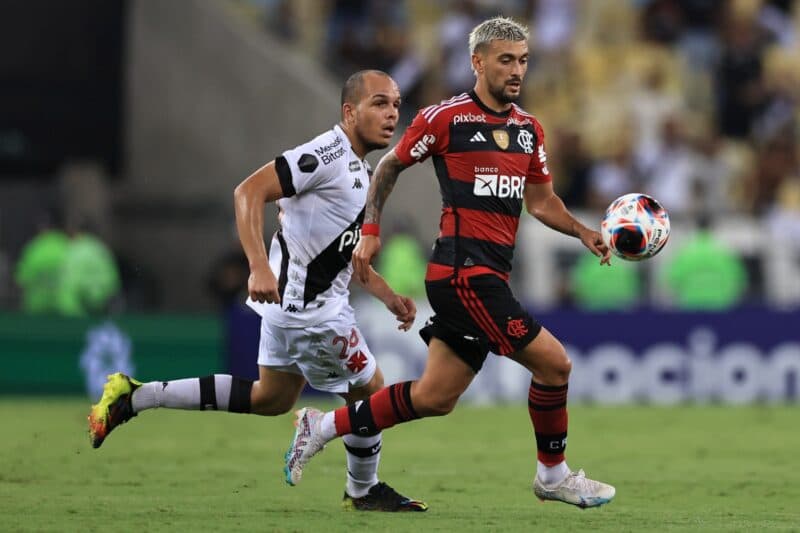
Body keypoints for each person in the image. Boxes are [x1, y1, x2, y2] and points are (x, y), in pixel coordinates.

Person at [285, 17, 616, 509]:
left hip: (485, 276)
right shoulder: (447, 119)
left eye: (523, 60)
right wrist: (371, 230)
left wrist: (583, 230)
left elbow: (542, 203)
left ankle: (323, 423)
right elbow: (390, 164)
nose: (517, 70)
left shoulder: (528, 131)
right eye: (506, 60)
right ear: (478, 62)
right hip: (464, 274)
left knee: (435, 397)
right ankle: (554, 474)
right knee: (554, 364)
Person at [87, 70, 427, 513]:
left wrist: (386, 295)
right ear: (350, 111)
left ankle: (134, 396)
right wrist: (257, 265)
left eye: (396, 104)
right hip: (312, 313)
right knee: (370, 392)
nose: (392, 114)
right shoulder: (325, 153)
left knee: (272, 398)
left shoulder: (358, 169)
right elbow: (247, 192)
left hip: (295, 308)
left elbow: (337, 253)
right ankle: (359, 486)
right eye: (380, 103)